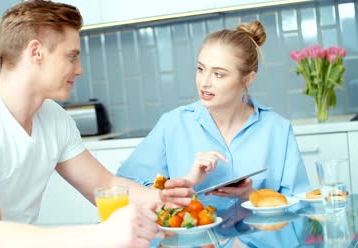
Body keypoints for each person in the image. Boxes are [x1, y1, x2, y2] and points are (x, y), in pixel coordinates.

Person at [0, 1, 197, 248]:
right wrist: (99, 235)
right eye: (71, 57)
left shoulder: (53, 118)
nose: (80, 69)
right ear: (36, 52)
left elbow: (105, 184)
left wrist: (163, 201)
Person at [117, 21, 311, 211]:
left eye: (218, 74)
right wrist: (180, 186)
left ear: (248, 79)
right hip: (191, 243)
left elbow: (301, 205)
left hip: (260, 242)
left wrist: (251, 195)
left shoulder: (278, 129)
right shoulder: (173, 124)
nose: (204, 82)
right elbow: (123, 188)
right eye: (201, 69)